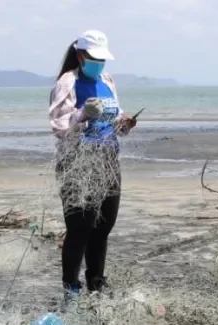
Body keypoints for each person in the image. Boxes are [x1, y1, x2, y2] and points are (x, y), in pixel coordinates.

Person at [48, 30, 138, 304]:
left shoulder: (107, 81)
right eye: (94, 59)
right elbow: (60, 126)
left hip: (107, 161)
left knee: (104, 225)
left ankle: (96, 284)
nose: (99, 64)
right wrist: (83, 114)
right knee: (80, 228)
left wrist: (124, 123)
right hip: (78, 162)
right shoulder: (67, 82)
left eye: (102, 59)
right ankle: (71, 289)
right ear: (80, 55)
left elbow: (113, 119)